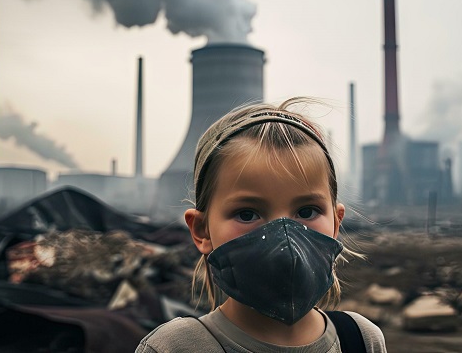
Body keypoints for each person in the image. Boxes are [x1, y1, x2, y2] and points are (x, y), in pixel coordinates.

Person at [136, 98, 387, 352]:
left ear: (336, 224)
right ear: (202, 231)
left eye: (306, 211)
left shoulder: (361, 340)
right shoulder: (174, 348)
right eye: (247, 214)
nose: (284, 238)